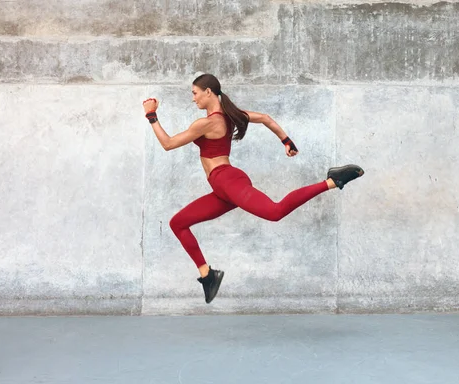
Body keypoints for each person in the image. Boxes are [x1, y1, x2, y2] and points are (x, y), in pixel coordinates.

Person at [142, 74, 364, 304]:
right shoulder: (230, 115)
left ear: (208, 92)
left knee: (275, 212)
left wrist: (151, 115)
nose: (193, 98)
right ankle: (208, 275)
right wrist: (286, 140)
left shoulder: (208, 122)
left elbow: (168, 144)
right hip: (222, 188)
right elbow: (266, 118)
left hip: (227, 181)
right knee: (178, 223)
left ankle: (331, 181)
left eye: (195, 93)